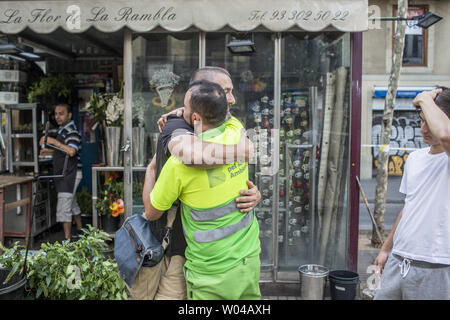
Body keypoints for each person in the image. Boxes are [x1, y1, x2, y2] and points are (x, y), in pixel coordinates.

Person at [130, 67, 261, 300]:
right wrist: (244, 151)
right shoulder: (235, 133)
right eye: (226, 91)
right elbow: (192, 154)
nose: (232, 98)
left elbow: (150, 211)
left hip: (206, 267)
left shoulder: (180, 163)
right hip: (240, 259)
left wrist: (151, 169)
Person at [373, 87, 450, 300]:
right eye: (421, 120)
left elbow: (445, 135)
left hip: (436, 265)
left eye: (429, 121)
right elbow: (409, 207)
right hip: (399, 260)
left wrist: (425, 98)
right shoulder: (415, 158)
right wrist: (387, 249)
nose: (423, 128)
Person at [39, 103, 83, 241]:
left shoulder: (72, 131)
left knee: (64, 207)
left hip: (70, 173)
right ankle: (81, 231)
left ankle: (67, 242)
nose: (57, 116)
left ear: (69, 115)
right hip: (66, 173)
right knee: (72, 203)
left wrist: (53, 142)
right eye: (56, 114)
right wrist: (50, 150)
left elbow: (71, 151)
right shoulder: (62, 130)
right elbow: (64, 149)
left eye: (61, 113)